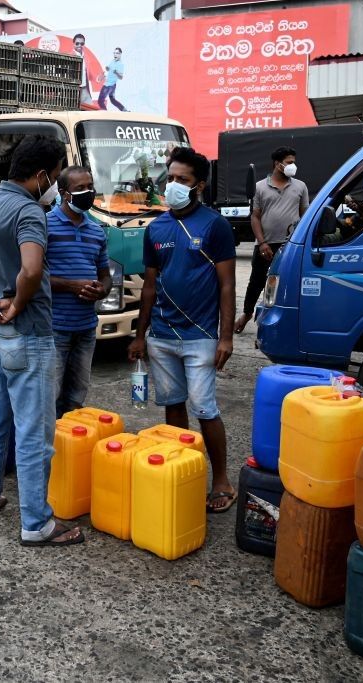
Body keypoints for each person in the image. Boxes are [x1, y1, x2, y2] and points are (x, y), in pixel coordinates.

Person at [0, 134, 85, 546]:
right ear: (43, 174)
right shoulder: (30, 212)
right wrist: (17, 299)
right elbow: (31, 270)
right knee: (34, 431)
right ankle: (37, 524)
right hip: (25, 329)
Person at [127, 146, 238, 514]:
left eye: (182, 180)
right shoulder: (156, 227)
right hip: (160, 336)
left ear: (200, 186)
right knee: (172, 406)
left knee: (205, 407)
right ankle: (180, 468)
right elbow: (149, 285)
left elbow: (226, 284)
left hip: (201, 337)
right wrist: (140, 335)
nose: (173, 185)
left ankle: (220, 478)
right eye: (170, 178)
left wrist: (226, 336)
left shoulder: (215, 226)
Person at [46, 165, 110, 417]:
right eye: (80, 188)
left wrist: (100, 290)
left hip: (86, 328)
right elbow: (32, 274)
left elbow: (105, 276)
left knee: (76, 398)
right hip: (54, 327)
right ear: (64, 193)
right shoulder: (45, 224)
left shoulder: (96, 230)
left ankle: (69, 449)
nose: (88, 192)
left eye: (90, 186)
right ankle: (48, 454)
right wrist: (71, 285)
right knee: (50, 398)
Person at [235, 146, 309, 334]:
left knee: (286, 283)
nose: (293, 166)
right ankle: (246, 314)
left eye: (294, 162)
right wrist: (262, 243)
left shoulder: (300, 186)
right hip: (265, 244)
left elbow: (305, 216)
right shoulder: (260, 187)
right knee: (256, 282)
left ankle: (282, 320)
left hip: (290, 246)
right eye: (289, 162)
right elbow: (255, 216)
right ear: (278, 164)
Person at [73, 34, 93, 107]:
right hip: (74, 90)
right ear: (73, 43)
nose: (79, 45)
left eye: (82, 43)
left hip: (84, 89)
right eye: (77, 43)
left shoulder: (85, 57)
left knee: (91, 110)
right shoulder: (69, 55)